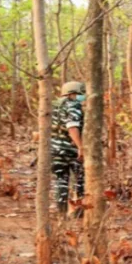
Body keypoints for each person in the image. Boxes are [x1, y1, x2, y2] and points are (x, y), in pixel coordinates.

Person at [51, 81, 86, 219]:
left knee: (61, 180)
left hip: (54, 149)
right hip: (70, 150)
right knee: (80, 179)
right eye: (81, 94)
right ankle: (80, 210)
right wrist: (80, 147)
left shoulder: (54, 106)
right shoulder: (73, 105)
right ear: (73, 93)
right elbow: (72, 127)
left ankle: (62, 213)